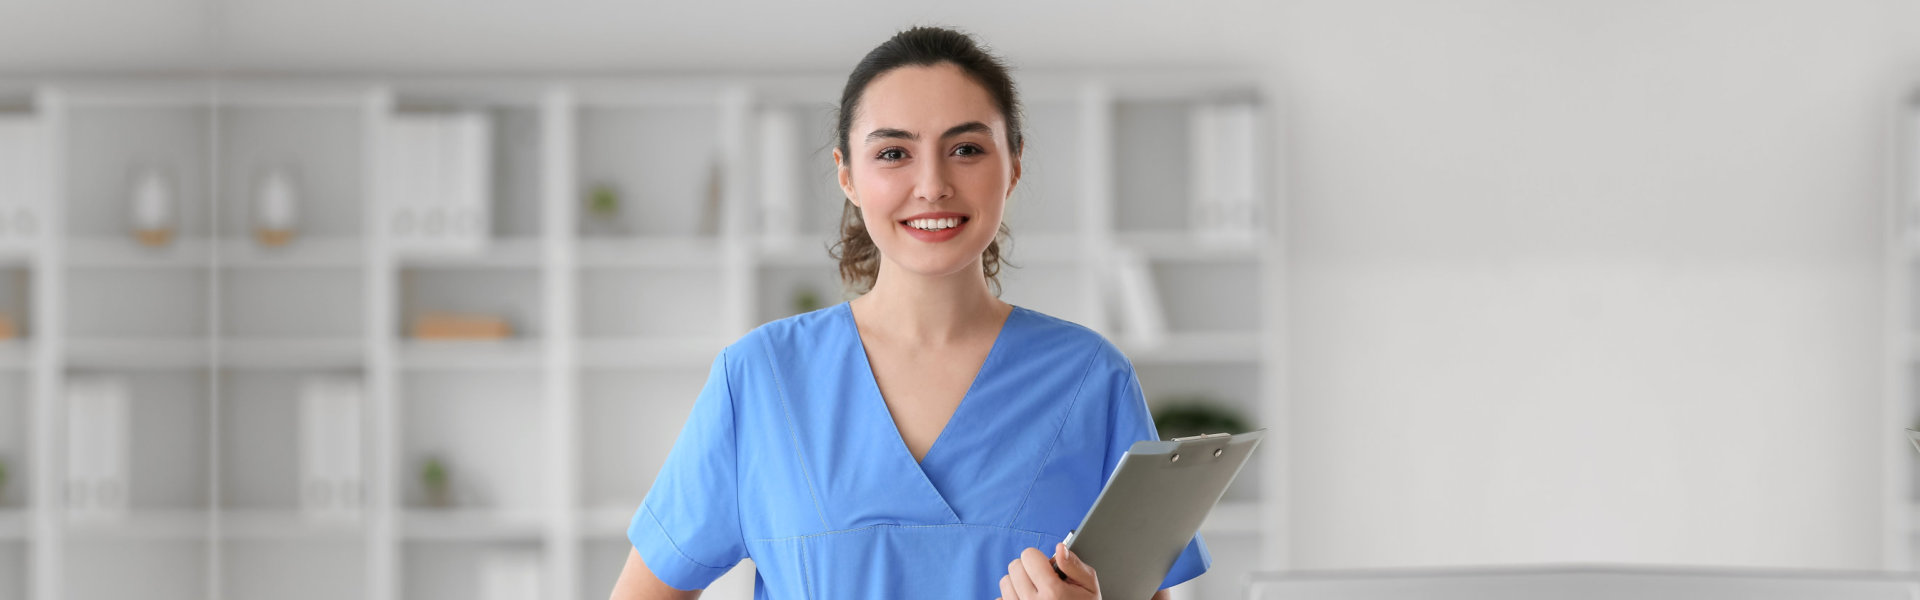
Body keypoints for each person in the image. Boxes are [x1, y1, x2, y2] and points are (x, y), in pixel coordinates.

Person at [608, 25, 1208, 600]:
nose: (932, 185)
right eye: (894, 152)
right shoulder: (760, 378)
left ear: (1014, 164)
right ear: (847, 174)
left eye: (966, 149)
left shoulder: (1091, 379)